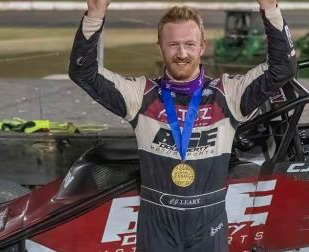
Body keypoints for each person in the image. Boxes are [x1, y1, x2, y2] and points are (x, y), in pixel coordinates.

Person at [69, 0, 296, 251]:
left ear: (202, 47)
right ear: (161, 48)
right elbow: (83, 72)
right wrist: (95, 14)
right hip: (157, 227)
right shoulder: (140, 95)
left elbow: (282, 68)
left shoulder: (229, 95)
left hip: (208, 228)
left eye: (189, 44)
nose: (182, 53)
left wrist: (270, 8)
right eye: (173, 44)